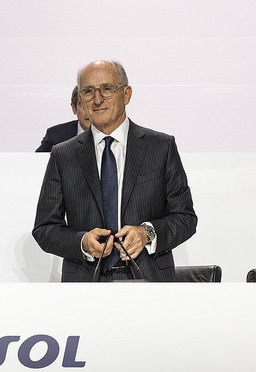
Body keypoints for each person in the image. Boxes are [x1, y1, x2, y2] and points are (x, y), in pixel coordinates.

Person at [32, 60, 197, 282]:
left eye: (107, 89)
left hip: (149, 281)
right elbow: (45, 229)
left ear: (126, 94)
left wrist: (147, 233)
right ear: (80, 99)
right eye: (89, 91)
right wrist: (82, 242)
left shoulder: (161, 146)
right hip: (85, 283)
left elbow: (185, 218)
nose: (97, 99)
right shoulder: (63, 154)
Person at [36, 85, 90, 152]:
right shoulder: (55, 137)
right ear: (74, 108)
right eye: (83, 106)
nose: (89, 112)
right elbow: (35, 158)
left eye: (94, 106)